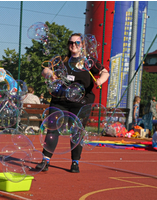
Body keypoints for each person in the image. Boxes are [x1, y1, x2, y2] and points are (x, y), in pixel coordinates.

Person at [36, 33, 110, 173]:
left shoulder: (89, 61)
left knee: (77, 132)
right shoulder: (62, 60)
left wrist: (100, 80)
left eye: (77, 43)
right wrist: (50, 74)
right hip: (60, 100)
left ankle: (75, 162)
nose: (73, 45)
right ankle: (45, 160)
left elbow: (105, 72)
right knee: (53, 129)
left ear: (82, 45)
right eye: (71, 43)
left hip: (81, 102)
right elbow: (45, 70)